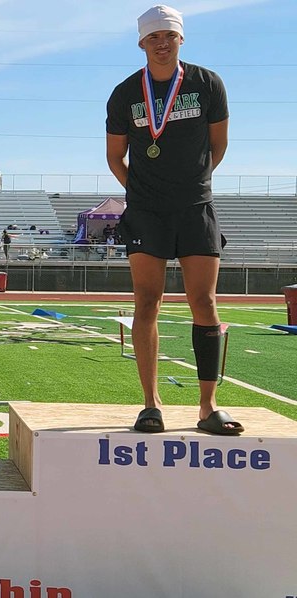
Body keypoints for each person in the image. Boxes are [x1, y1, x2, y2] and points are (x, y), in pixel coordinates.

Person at [107, 5, 237, 435]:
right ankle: (151, 404)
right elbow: (115, 156)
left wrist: (192, 184)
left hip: (196, 207)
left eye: (169, 36)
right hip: (146, 213)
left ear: (181, 39)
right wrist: (142, 192)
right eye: (153, 37)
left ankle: (208, 405)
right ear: (141, 43)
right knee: (148, 302)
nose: (162, 43)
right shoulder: (125, 93)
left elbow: (218, 147)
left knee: (205, 302)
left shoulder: (207, 84)